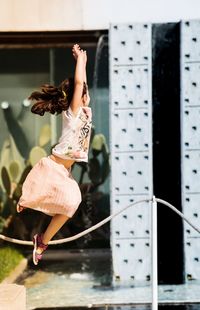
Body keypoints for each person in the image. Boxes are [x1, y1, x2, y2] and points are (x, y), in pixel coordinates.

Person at [17, 44, 92, 265]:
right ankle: (38, 232)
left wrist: (84, 64)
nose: (86, 94)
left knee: (71, 203)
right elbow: (79, 84)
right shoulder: (73, 113)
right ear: (76, 98)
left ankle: (41, 240)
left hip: (63, 171)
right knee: (68, 200)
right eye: (83, 93)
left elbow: (82, 83)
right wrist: (79, 59)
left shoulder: (85, 112)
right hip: (53, 167)